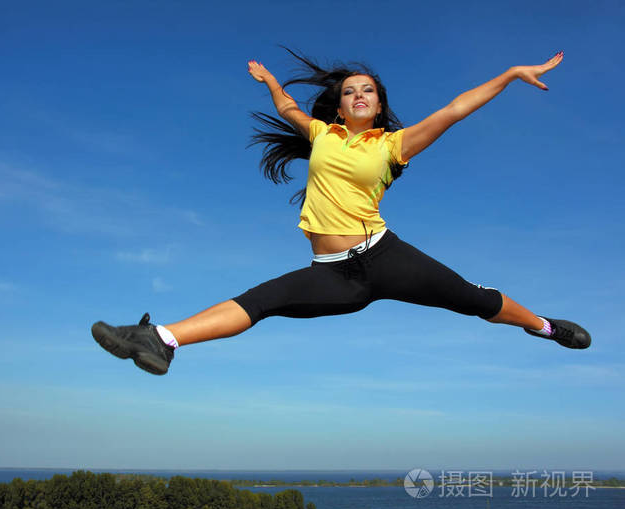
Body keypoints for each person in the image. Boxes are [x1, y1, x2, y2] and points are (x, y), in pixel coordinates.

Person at [91, 50, 590, 376]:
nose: (357, 95)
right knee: (259, 301)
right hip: (333, 275)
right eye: (350, 90)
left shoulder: (394, 145)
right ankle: (159, 339)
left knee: (473, 299)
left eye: (367, 90)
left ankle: (543, 326)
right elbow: (288, 109)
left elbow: (455, 110)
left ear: (377, 105)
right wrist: (268, 81)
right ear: (339, 105)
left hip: (384, 256)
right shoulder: (322, 135)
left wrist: (509, 75)